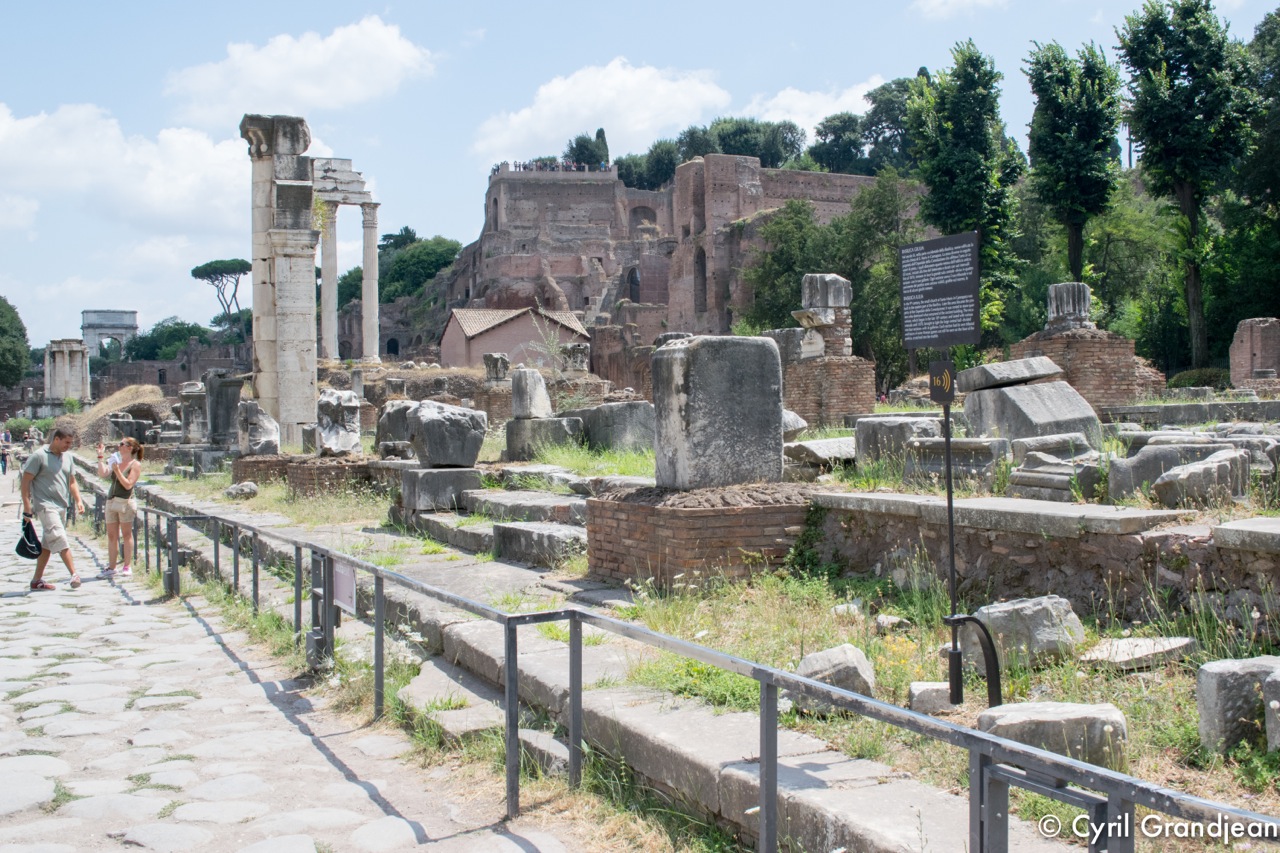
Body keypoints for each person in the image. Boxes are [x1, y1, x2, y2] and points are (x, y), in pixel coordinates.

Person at [20, 425, 86, 591]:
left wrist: (78, 500)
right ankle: (74, 574)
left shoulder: (68, 457)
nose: (68, 446)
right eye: (66, 442)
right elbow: (25, 483)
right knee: (58, 536)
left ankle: (36, 581)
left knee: (47, 545)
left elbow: (72, 481)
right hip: (45, 505)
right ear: (56, 439)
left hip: (61, 505)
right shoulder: (39, 456)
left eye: (70, 443)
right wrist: (28, 508)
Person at [95, 437, 143, 578]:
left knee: (126, 534)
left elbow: (128, 484)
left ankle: (127, 565)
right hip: (111, 500)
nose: (119, 445)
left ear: (130, 448)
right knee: (111, 535)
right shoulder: (116, 459)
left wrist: (117, 471)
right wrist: (100, 457)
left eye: (122, 444)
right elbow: (103, 473)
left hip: (125, 501)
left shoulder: (135, 464)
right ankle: (111, 567)